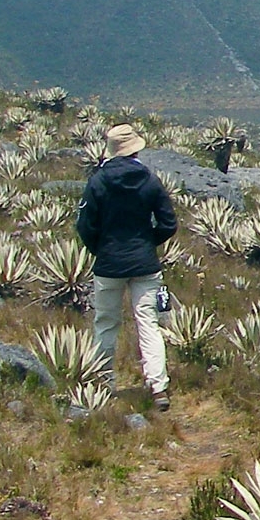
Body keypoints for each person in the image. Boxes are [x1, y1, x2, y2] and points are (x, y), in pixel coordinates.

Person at [75, 123, 178, 411]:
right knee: (148, 324)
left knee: (106, 324)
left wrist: (102, 250)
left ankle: (104, 383)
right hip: (144, 264)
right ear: (135, 148)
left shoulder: (97, 182)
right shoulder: (149, 180)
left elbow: (85, 225)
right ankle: (158, 387)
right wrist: (147, 244)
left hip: (108, 266)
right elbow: (169, 223)